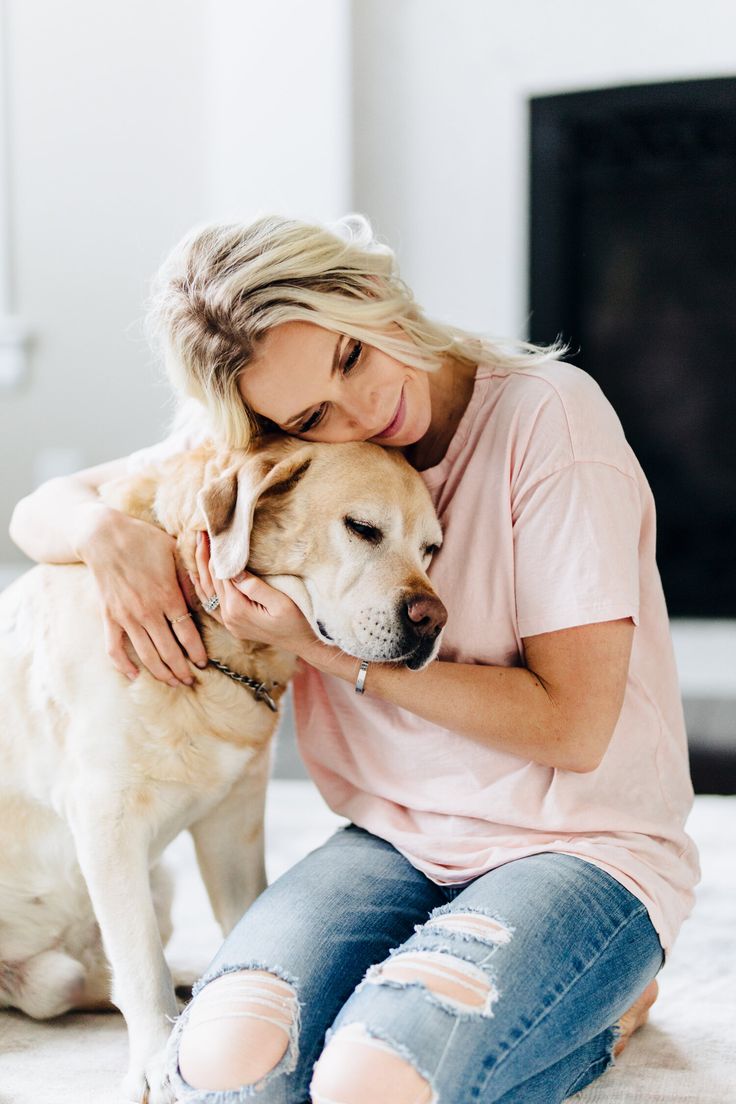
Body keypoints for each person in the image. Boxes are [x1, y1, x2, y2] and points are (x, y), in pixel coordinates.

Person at [10, 214, 699, 1104]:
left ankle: (600, 1015)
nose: (365, 410)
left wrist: (321, 651)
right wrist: (107, 537)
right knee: (230, 1074)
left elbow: (573, 728)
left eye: (351, 357)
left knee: (367, 1083)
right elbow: (43, 509)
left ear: (368, 291)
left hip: (576, 847)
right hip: (393, 840)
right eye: (311, 413)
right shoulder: (286, 448)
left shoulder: (552, 419)